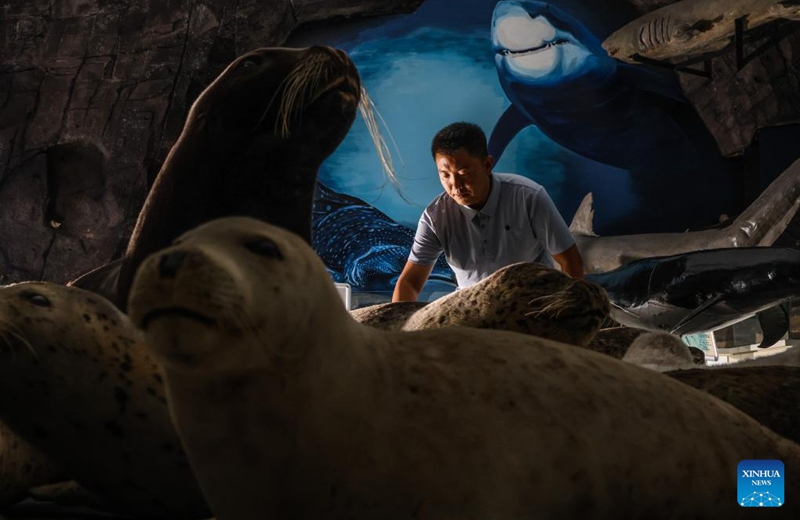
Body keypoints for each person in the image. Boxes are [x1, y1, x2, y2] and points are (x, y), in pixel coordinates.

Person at [392, 121, 584, 302]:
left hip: (532, 304)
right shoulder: (435, 218)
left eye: (463, 174)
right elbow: (409, 282)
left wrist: (566, 312)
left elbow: (570, 261)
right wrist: (394, 331)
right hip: (471, 311)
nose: (455, 186)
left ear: (487, 165)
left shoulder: (529, 197)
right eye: (445, 175)